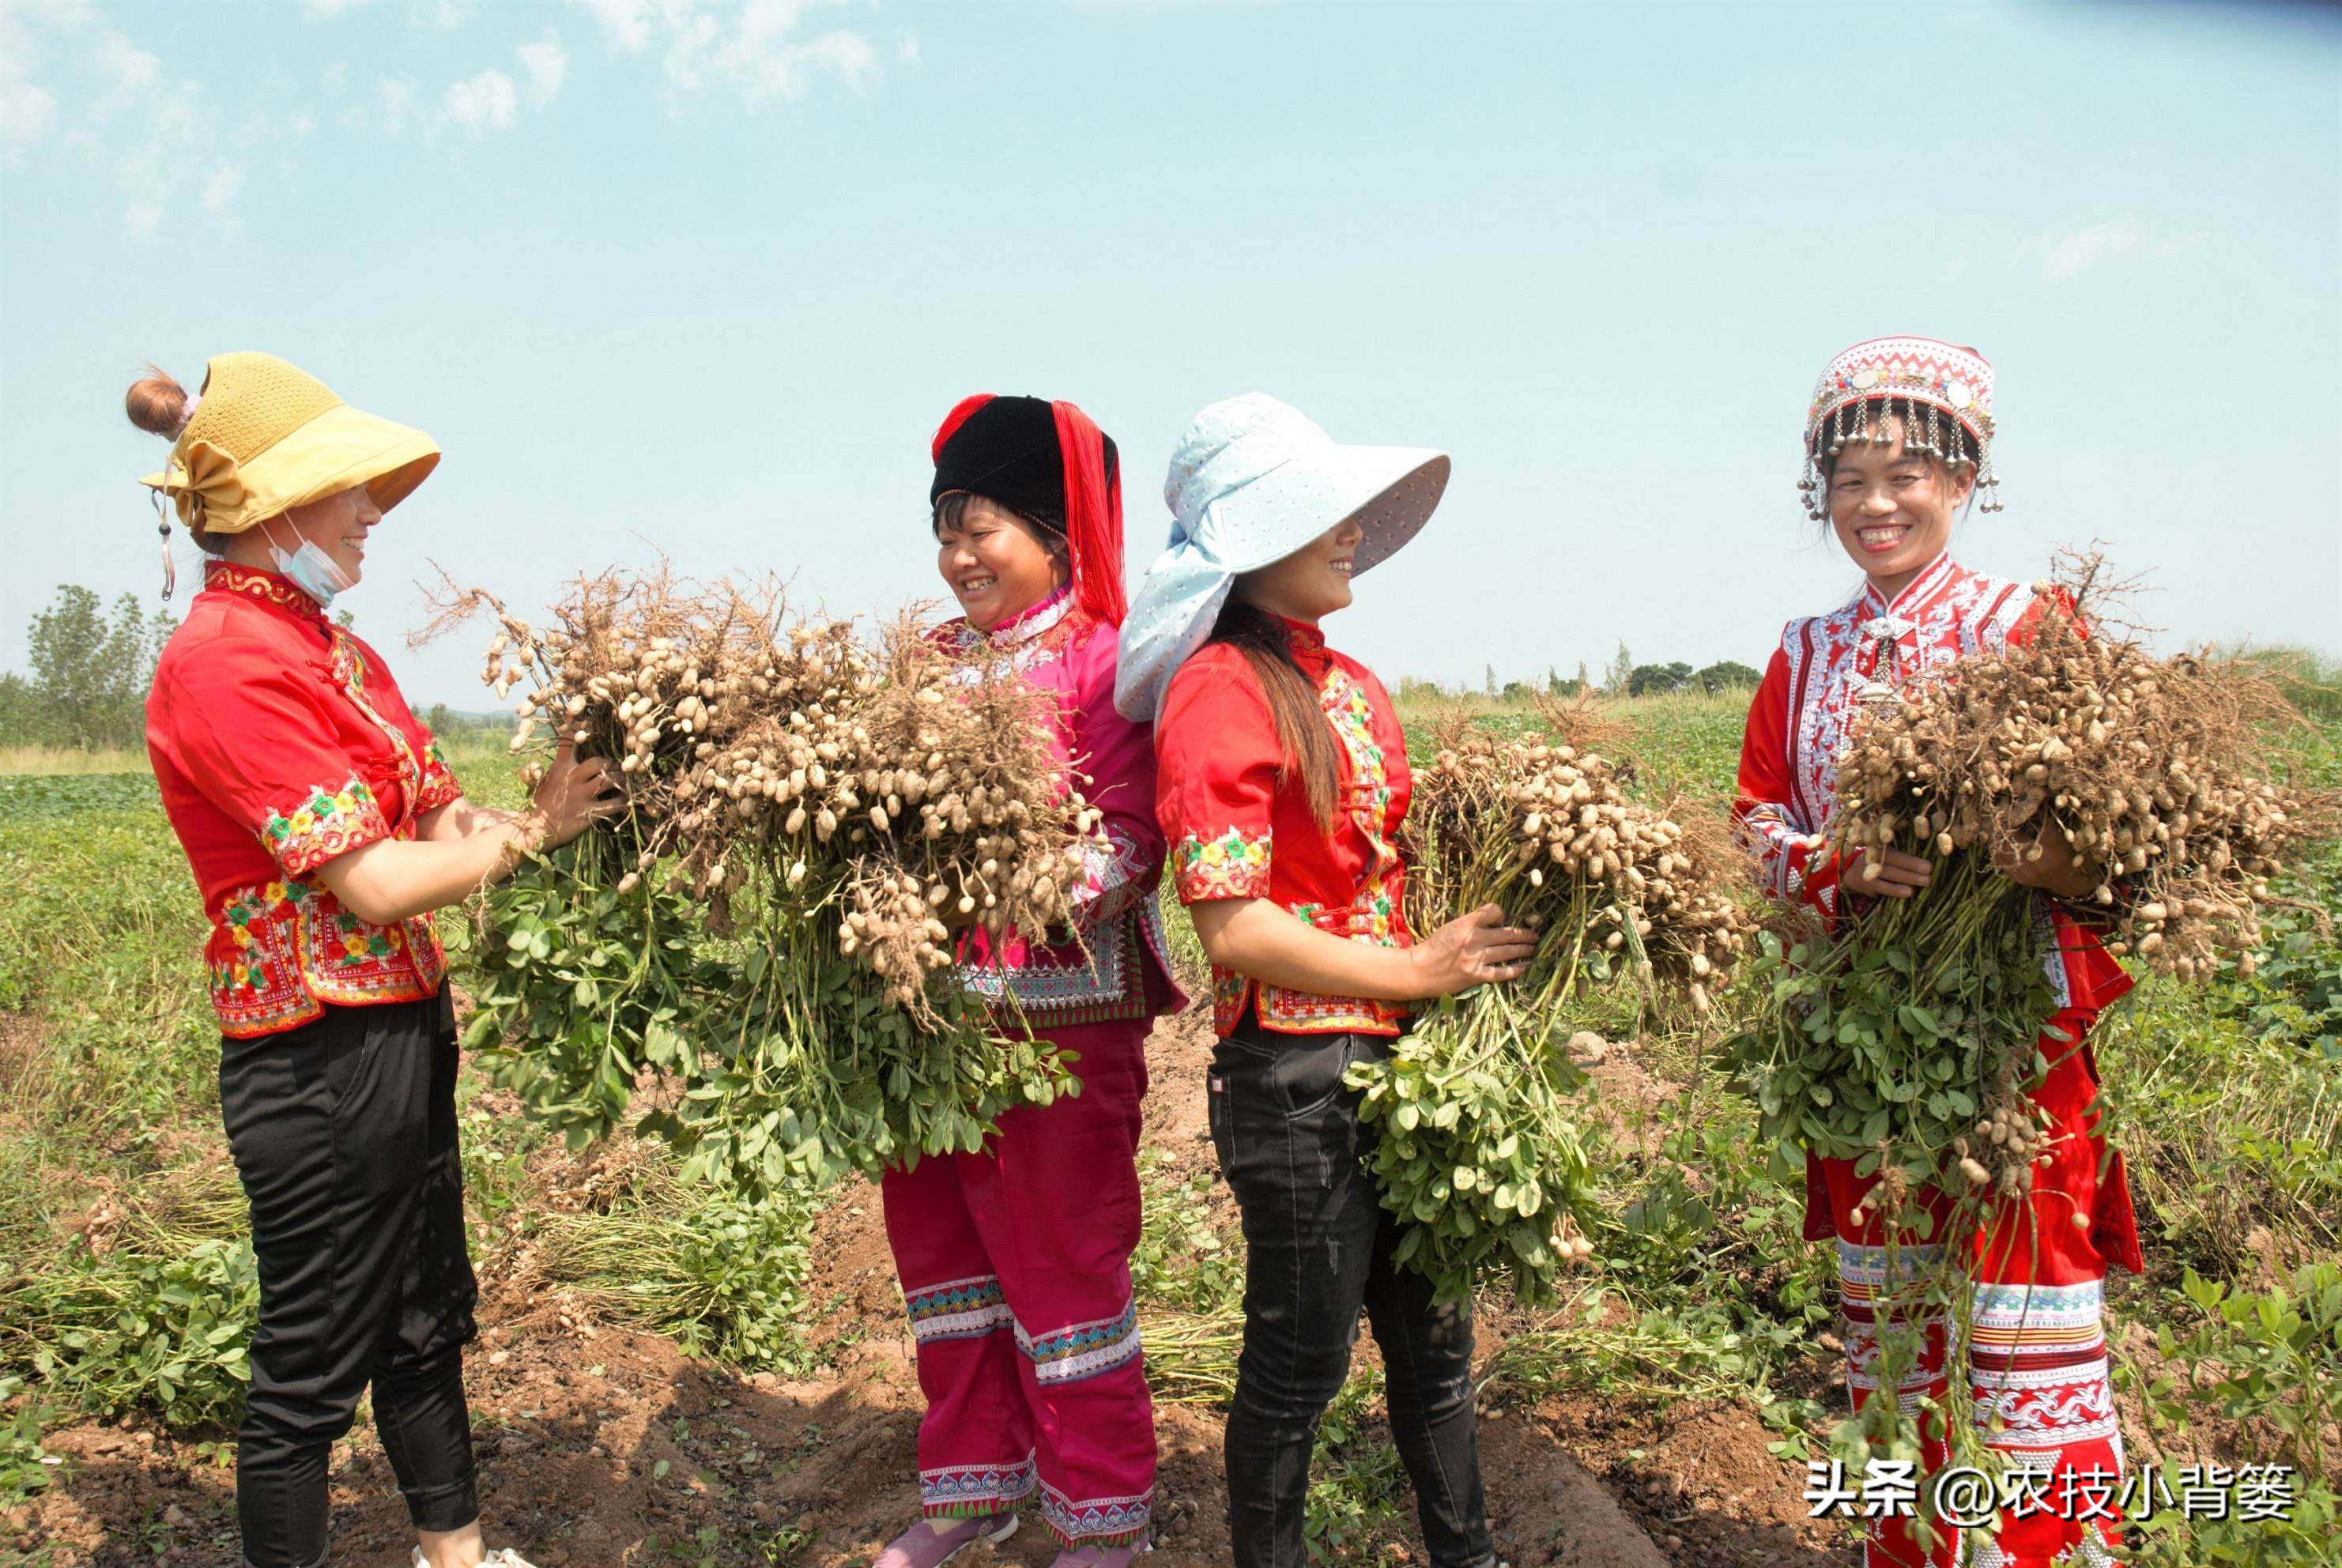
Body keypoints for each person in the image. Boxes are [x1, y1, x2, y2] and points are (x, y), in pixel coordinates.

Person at [127, 352, 621, 1568]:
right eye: (349, 490)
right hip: (314, 1054)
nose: (370, 516)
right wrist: (528, 836)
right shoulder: (224, 663)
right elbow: (378, 879)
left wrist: (555, 795)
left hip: (397, 1030)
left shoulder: (338, 654)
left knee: (416, 1322)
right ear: (271, 507)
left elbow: (443, 827)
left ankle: (455, 1558)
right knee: (308, 1368)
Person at [1734, 337, 2140, 1568]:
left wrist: (2029, 858)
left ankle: (2044, 1550)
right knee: (1892, 1315)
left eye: (1906, 474)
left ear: (1963, 480)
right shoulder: (1803, 651)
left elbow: (2117, 833)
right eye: (1849, 478)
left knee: (2025, 1300)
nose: (1876, 503)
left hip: (2013, 1040)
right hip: (1868, 1044)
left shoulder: (2034, 626)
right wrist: (1831, 866)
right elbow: (1754, 818)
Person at [1118, 394, 1530, 1568]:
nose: (1352, 530)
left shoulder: (1348, 680)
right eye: (1323, 515)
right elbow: (1232, 925)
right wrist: (1414, 968)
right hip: (1298, 1076)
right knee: (1297, 1367)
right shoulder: (1220, 689)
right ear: (1255, 545)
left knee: (1438, 1357)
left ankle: (1471, 1556)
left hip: (1397, 1064)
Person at [874, 394, 1184, 1568]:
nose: (957, 559)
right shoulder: (923, 666)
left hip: (1063, 1031)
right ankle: (970, 1496)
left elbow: (1135, 837)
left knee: (1064, 1264)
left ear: (1058, 534)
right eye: (945, 532)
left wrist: (1008, 877)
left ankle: (1101, 1512)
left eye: (982, 530)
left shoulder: (1111, 663)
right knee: (942, 1260)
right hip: (926, 1029)